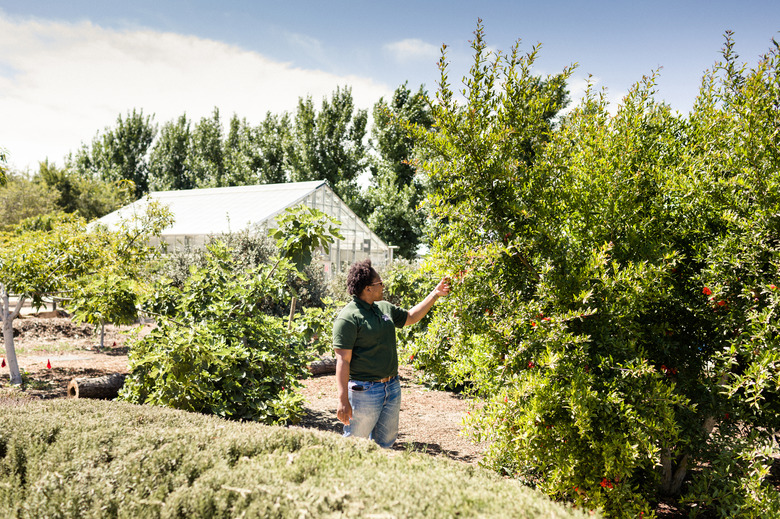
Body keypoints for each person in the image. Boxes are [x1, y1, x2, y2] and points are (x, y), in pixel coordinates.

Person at [332, 258, 450, 448]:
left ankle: (377, 469)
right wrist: (343, 400)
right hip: (364, 392)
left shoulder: (384, 307)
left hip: (392, 387)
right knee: (354, 445)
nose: (383, 286)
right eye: (380, 283)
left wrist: (435, 294)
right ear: (368, 289)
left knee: (385, 444)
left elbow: (410, 317)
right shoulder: (348, 318)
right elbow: (342, 361)